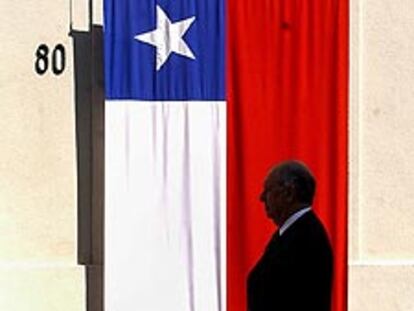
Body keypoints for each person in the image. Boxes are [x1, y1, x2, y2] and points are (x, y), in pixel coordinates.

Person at [247, 160, 333, 311]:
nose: (261, 198)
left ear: (288, 193)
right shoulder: (290, 232)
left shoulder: (306, 238)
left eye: (268, 190)